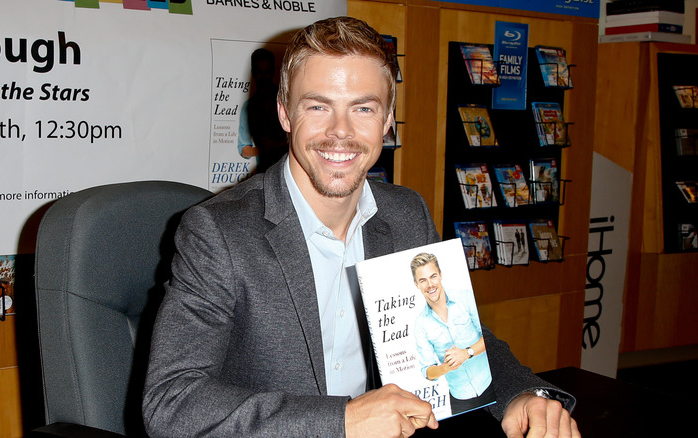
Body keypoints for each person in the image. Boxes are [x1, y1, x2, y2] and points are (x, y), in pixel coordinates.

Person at [143, 16, 580, 438]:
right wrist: (344, 422)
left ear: (388, 119)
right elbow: (172, 403)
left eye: (364, 108)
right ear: (284, 114)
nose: (341, 132)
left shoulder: (406, 213)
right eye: (318, 106)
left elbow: (461, 330)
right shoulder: (218, 233)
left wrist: (520, 394)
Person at [411, 252, 495, 415]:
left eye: (433, 276)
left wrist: (466, 353)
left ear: (441, 275)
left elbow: (490, 339)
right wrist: (445, 367)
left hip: (490, 384)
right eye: (423, 280)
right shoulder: (420, 323)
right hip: (460, 398)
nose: (430, 284)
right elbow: (427, 371)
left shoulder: (465, 296)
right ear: (417, 284)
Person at [237, 48, 289, 173]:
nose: (263, 77)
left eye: (267, 72)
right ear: (253, 73)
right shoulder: (248, 107)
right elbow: (244, 150)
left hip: (291, 171)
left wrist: (278, 145)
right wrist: (264, 149)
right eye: (259, 72)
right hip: (265, 173)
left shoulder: (288, 101)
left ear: (273, 71)